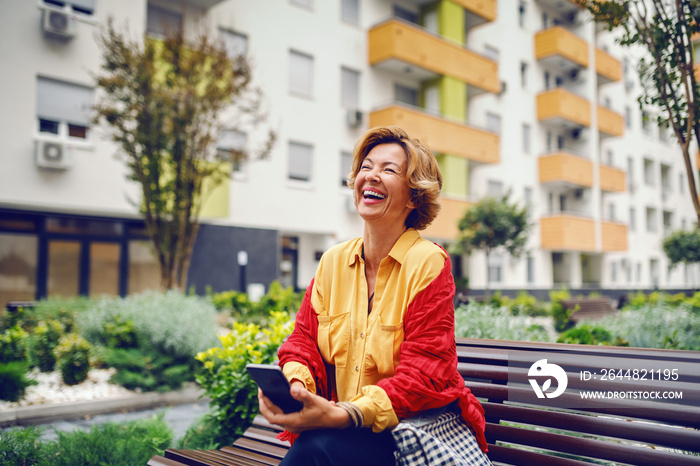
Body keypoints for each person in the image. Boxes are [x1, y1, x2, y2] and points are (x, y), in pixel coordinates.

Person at [257, 126, 490, 465]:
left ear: (414, 196)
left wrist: (348, 413)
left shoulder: (428, 263)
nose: (372, 176)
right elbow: (303, 342)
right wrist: (297, 387)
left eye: (388, 169)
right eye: (366, 167)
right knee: (318, 447)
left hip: (408, 433)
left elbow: (424, 372)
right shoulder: (333, 262)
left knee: (315, 450)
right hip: (346, 431)